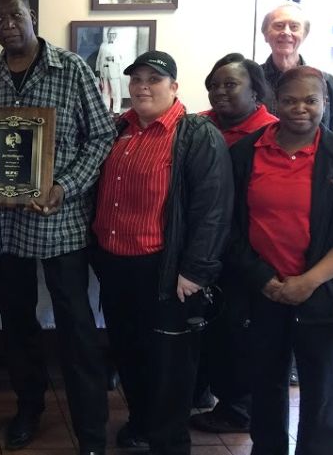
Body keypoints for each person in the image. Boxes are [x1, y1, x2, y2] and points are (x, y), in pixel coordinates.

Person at [0, 0, 115, 455]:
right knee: (17, 323)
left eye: (14, 15)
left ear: (32, 14)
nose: (6, 25)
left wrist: (64, 186)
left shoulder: (72, 70)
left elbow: (102, 137)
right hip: (4, 226)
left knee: (76, 326)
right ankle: (29, 406)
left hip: (60, 222)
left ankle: (90, 426)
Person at [91, 51, 233, 455]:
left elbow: (213, 208)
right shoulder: (119, 129)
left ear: (174, 87)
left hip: (166, 270)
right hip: (116, 266)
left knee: (169, 364)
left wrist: (196, 270)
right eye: (136, 80)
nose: (142, 87)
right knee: (129, 351)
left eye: (153, 80)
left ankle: (169, 442)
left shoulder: (195, 134)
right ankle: (140, 422)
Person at [229, 66, 333, 455]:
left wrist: (309, 281)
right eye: (289, 100)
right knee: (265, 386)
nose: (300, 108)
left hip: (323, 292)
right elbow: (229, 228)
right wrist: (263, 278)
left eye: (311, 100)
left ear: (326, 103)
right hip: (262, 291)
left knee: (323, 393)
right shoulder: (244, 154)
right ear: (275, 102)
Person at [190, 53, 277, 435]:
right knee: (210, 325)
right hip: (205, 245)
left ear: (256, 91)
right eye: (213, 85)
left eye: (230, 84)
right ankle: (204, 392)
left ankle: (238, 409)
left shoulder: (271, 133)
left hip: (247, 249)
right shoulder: (199, 125)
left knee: (240, 332)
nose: (219, 91)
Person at [259, 2, 333, 144]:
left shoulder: (326, 82)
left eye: (294, 27)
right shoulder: (252, 80)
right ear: (265, 34)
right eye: (279, 26)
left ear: (304, 35)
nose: (286, 32)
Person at [95, 28, 124, 113]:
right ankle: (106, 110)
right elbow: (99, 58)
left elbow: (122, 59)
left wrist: (113, 58)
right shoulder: (103, 45)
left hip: (114, 72)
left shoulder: (119, 45)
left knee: (116, 92)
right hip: (104, 71)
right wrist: (97, 70)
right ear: (107, 35)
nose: (111, 36)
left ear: (115, 35)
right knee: (105, 92)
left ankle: (116, 111)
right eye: (110, 34)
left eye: (113, 34)